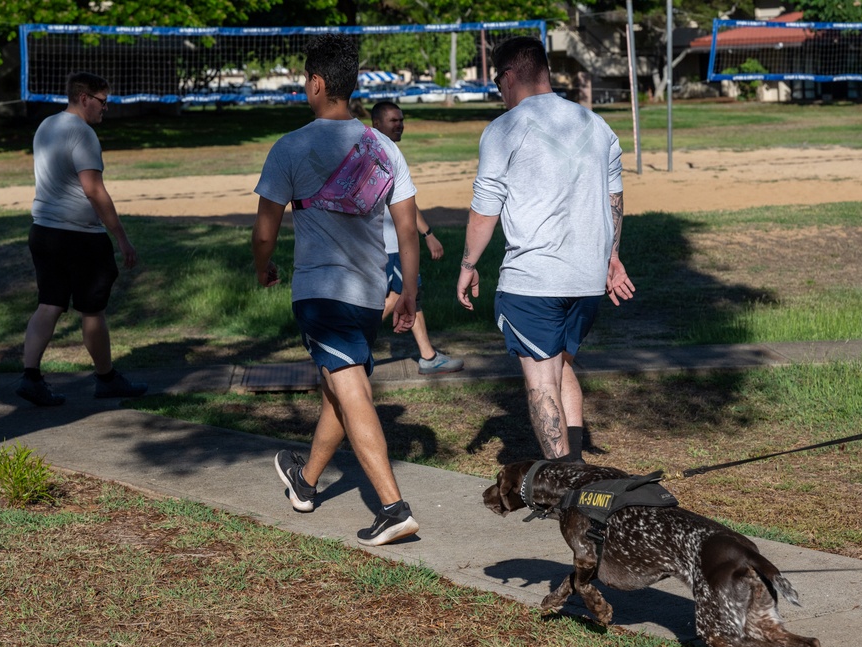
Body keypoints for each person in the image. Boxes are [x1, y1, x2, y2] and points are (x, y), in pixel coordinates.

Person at [253, 34, 421, 547]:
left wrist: (264, 267)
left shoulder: (291, 147)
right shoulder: (383, 146)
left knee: (350, 388)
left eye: (306, 78)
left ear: (318, 83)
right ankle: (304, 482)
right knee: (336, 386)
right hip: (370, 293)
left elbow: (265, 231)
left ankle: (393, 509)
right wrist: (408, 290)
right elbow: (408, 229)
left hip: (321, 291)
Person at [455, 37, 635, 462]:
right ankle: (576, 467)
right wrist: (611, 258)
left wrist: (468, 264)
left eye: (497, 81)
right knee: (562, 365)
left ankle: (564, 481)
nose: (499, 91)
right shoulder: (597, 125)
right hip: (586, 281)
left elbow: (485, 211)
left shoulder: (503, 129)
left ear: (510, 75)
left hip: (532, 281)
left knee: (540, 381)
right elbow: (615, 202)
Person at [16, 72, 148, 407]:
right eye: (103, 101)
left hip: (43, 231)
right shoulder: (83, 134)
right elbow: (93, 190)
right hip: (80, 238)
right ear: (84, 97)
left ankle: (30, 377)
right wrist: (121, 236)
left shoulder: (47, 126)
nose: (106, 108)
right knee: (92, 311)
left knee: (50, 303)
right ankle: (106, 379)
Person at [370, 101, 464, 376]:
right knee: (398, 295)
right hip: (392, 243)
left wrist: (428, 233)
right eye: (393, 121)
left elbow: (406, 203)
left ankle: (428, 356)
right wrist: (428, 236)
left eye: (401, 120)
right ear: (377, 123)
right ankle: (353, 345)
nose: (399, 125)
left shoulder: (381, 150)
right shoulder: (381, 152)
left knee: (411, 296)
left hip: (389, 242)